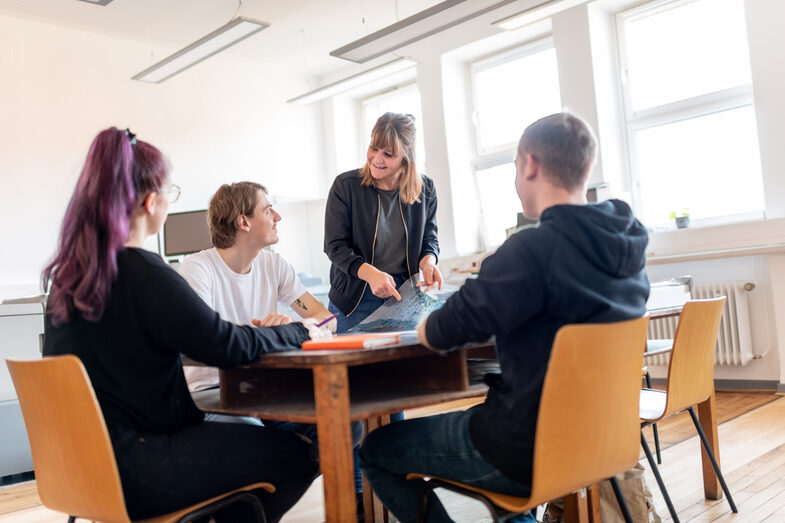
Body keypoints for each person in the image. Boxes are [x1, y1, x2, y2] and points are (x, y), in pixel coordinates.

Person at [359, 112, 651, 523]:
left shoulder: (528, 251)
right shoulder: (630, 242)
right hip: (602, 441)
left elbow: (440, 331)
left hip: (525, 449)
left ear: (529, 165)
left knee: (375, 451)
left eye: (516, 167)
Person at [41, 128, 318, 522]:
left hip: (82, 466)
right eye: (171, 192)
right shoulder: (147, 273)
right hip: (141, 464)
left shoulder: (69, 279)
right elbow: (225, 346)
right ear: (151, 201)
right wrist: (299, 330)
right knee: (301, 452)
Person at [178, 181, 363, 462]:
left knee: (347, 423)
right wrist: (273, 335)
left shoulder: (275, 266)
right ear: (244, 222)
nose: (278, 217)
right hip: (213, 393)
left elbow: (328, 320)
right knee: (259, 439)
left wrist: (289, 325)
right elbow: (205, 338)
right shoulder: (197, 270)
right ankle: (274, 476)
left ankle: (281, 476)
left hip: (263, 389)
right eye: (268, 210)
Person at [324, 112, 443, 334]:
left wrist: (429, 261)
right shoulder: (345, 186)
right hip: (354, 298)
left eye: (388, 154)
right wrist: (371, 274)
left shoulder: (425, 189)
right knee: (356, 368)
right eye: (373, 148)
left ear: (406, 157)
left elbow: (430, 238)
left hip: (404, 296)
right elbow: (335, 247)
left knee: (406, 366)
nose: (377, 159)